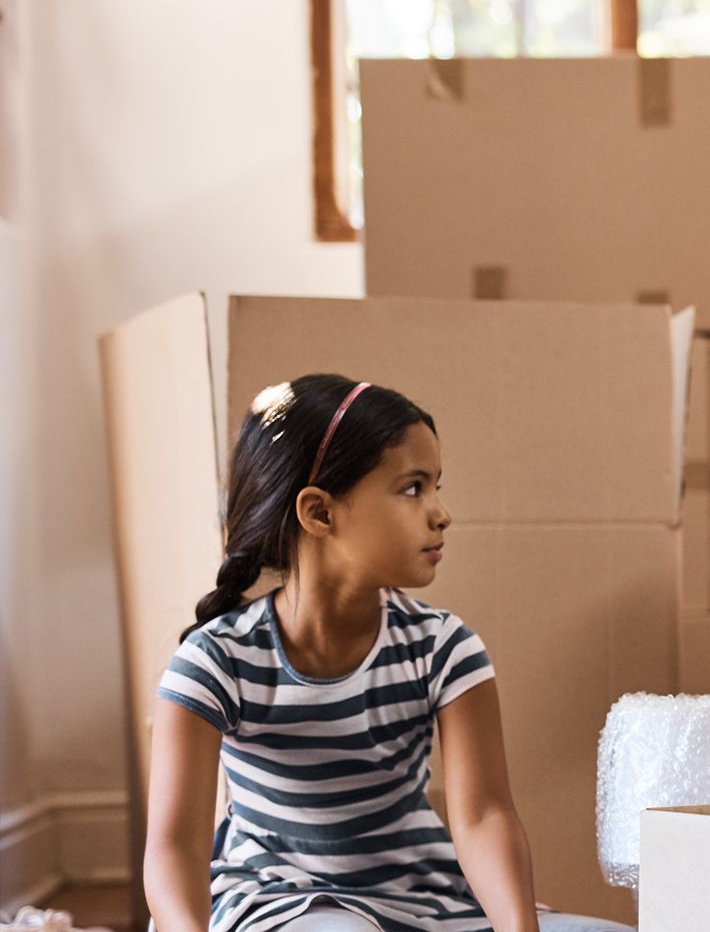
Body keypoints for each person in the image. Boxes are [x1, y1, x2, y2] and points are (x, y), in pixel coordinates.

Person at [144, 375, 629, 932]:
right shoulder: (214, 662)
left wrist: (518, 927)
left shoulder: (443, 647)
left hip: (427, 898)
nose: (442, 512)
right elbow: (173, 848)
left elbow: (483, 815)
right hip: (279, 903)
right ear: (319, 512)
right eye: (412, 488)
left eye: (437, 486)